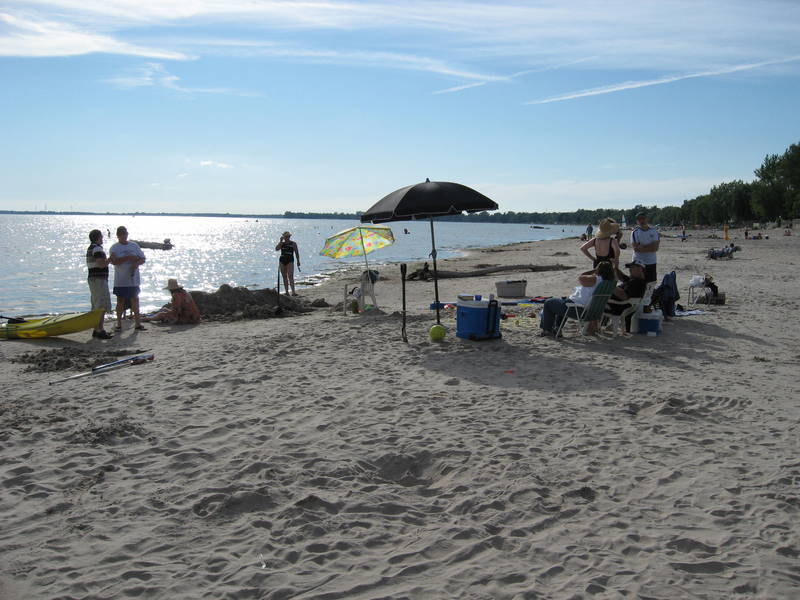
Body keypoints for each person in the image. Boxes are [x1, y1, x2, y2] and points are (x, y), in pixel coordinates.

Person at [539, 261, 616, 336]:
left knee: (548, 302)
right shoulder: (609, 284)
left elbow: (581, 277)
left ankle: (547, 330)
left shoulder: (595, 279)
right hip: (591, 312)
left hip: (578, 310)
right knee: (563, 302)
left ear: (599, 269)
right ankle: (557, 328)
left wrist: (594, 270)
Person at [109, 226, 146, 331]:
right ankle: (119, 323)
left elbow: (142, 259)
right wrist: (128, 258)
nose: (124, 236)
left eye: (125, 234)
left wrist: (136, 263)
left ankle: (138, 323)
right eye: (121, 235)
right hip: (121, 280)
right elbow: (114, 262)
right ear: (118, 236)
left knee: (135, 300)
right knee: (120, 301)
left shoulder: (134, 246)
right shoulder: (114, 247)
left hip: (133, 279)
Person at [85, 229, 113, 339]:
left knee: (96, 304)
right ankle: (100, 329)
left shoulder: (91, 247)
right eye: (101, 237)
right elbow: (101, 264)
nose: (103, 239)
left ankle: (97, 329)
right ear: (98, 237)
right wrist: (111, 259)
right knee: (101, 305)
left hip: (94, 279)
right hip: (98, 279)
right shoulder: (97, 248)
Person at [605, 260, 648, 331]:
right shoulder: (636, 280)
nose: (630, 270)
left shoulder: (637, 283)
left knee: (594, 301)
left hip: (617, 306)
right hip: (622, 305)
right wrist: (615, 267)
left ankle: (592, 326)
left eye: (632, 268)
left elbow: (624, 296)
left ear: (640, 269)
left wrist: (610, 285)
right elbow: (622, 277)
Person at [631, 212, 660, 284]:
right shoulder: (635, 232)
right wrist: (650, 246)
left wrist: (642, 247)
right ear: (637, 221)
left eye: (643, 218)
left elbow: (655, 248)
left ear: (647, 219)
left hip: (651, 262)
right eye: (639, 219)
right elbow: (636, 248)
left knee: (651, 284)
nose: (641, 221)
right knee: (638, 284)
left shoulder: (654, 231)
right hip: (638, 262)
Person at [275, 231, 300, 296]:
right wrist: (280, 241)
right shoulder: (282, 244)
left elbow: (296, 253)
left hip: (290, 260)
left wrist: (298, 261)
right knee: (284, 277)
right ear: (283, 237)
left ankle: (293, 292)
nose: (287, 238)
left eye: (288, 236)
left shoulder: (293, 243)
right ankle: (286, 292)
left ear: (289, 237)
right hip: (282, 260)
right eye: (285, 236)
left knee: (290, 276)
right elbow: (277, 249)